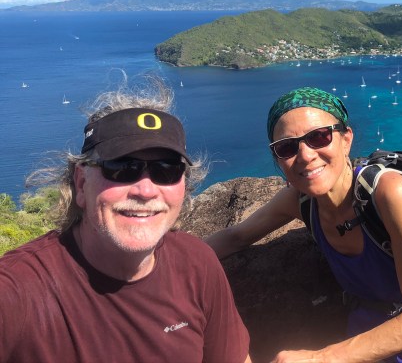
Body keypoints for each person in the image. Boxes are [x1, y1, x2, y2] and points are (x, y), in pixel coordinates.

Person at [206, 87, 402, 363]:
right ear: (278, 159)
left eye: (319, 137)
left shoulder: (390, 193)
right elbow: (236, 236)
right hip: (369, 347)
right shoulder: (301, 201)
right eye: (287, 147)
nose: (305, 155)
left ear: (346, 139)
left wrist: (321, 357)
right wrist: (178, 258)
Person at [0, 79, 250, 363]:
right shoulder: (20, 291)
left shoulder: (197, 264)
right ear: (81, 183)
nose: (145, 190)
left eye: (166, 170)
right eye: (122, 168)